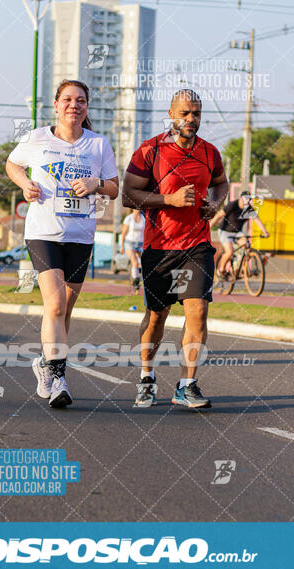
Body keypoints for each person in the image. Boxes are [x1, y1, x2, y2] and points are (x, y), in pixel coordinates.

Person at [6, 79, 118, 408]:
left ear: (86, 107)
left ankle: (45, 362)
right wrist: (26, 183)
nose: (74, 105)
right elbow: (13, 164)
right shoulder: (37, 138)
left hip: (81, 235)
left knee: (64, 309)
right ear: (56, 105)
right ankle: (58, 378)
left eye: (80, 100)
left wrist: (96, 183)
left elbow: (114, 187)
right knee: (54, 305)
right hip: (43, 233)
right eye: (67, 99)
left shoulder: (98, 145)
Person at [122, 89, 228, 409]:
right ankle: (146, 376)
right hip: (159, 247)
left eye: (195, 113)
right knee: (157, 318)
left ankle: (187, 384)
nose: (190, 119)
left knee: (198, 309)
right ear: (171, 114)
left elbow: (221, 183)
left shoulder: (209, 153)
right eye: (184, 113)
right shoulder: (150, 150)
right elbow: (127, 195)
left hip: (197, 244)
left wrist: (215, 205)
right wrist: (167, 200)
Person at [209, 190, 269, 278]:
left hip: (237, 233)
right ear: (241, 198)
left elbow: (257, 220)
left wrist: (265, 232)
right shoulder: (232, 205)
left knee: (247, 247)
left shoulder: (248, 209)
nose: (247, 202)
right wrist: (209, 227)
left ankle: (238, 268)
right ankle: (221, 270)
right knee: (229, 252)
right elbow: (219, 215)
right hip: (225, 232)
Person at [120, 209, 145, 289]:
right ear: (132, 208)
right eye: (136, 207)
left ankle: (144, 280)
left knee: (144, 262)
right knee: (135, 263)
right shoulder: (129, 218)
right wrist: (122, 246)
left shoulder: (143, 218)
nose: (138, 209)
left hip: (141, 243)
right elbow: (124, 233)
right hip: (130, 243)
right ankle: (136, 282)